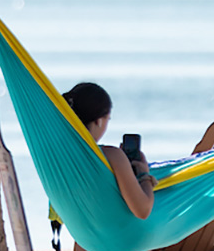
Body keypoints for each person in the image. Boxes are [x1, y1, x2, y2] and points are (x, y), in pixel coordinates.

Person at [62, 82, 156, 219]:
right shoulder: (113, 156)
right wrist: (144, 175)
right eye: (108, 119)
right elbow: (143, 210)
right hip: (119, 236)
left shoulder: (61, 155)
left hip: (84, 235)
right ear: (99, 121)